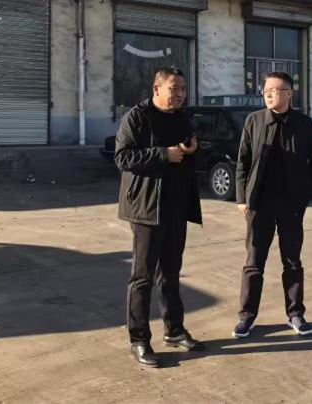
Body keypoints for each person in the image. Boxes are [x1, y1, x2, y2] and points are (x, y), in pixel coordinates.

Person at [114, 66, 204, 368]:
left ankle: (174, 330)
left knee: (171, 274)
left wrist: (193, 150)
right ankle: (139, 340)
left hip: (176, 206)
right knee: (143, 277)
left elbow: (189, 154)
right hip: (146, 208)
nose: (179, 94)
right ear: (156, 89)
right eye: (173, 88)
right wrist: (163, 154)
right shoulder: (137, 118)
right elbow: (123, 158)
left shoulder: (183, 118)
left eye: (183, 89)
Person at [232, 72, 312, 338]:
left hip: (291, 205)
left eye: (275, 90)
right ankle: (246, 316)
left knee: (292, 261)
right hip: (259, 203)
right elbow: (242, 161)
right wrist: (242, 198)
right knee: (254, 262)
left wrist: (307, 194)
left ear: (289, 93)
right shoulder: (254, 120)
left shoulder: (303, 123)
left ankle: (295, 314)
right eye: (266, 91)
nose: (269, 94)